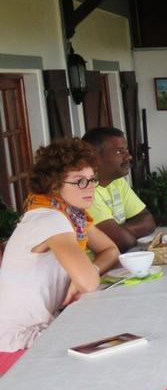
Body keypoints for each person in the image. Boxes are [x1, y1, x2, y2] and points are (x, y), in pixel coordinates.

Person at [0, 139, 120, 374]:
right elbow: (88, 282)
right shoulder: (48, 219)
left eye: (92, 178)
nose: (90, 187)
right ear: (53, 185)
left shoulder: (72, 217)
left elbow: (110, 250)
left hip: (40, 332)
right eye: (79, 181)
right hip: (14, 346)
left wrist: (90, 270)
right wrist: (85, 275)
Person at [82, 127, 155, 250]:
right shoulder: (85, 191)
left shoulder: (118, 182)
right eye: (119, 152)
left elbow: (148, 221)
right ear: (95, 157)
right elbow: (125, 242)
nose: (129, 157)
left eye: (126, 151)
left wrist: (119, 231)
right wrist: (120, 235)